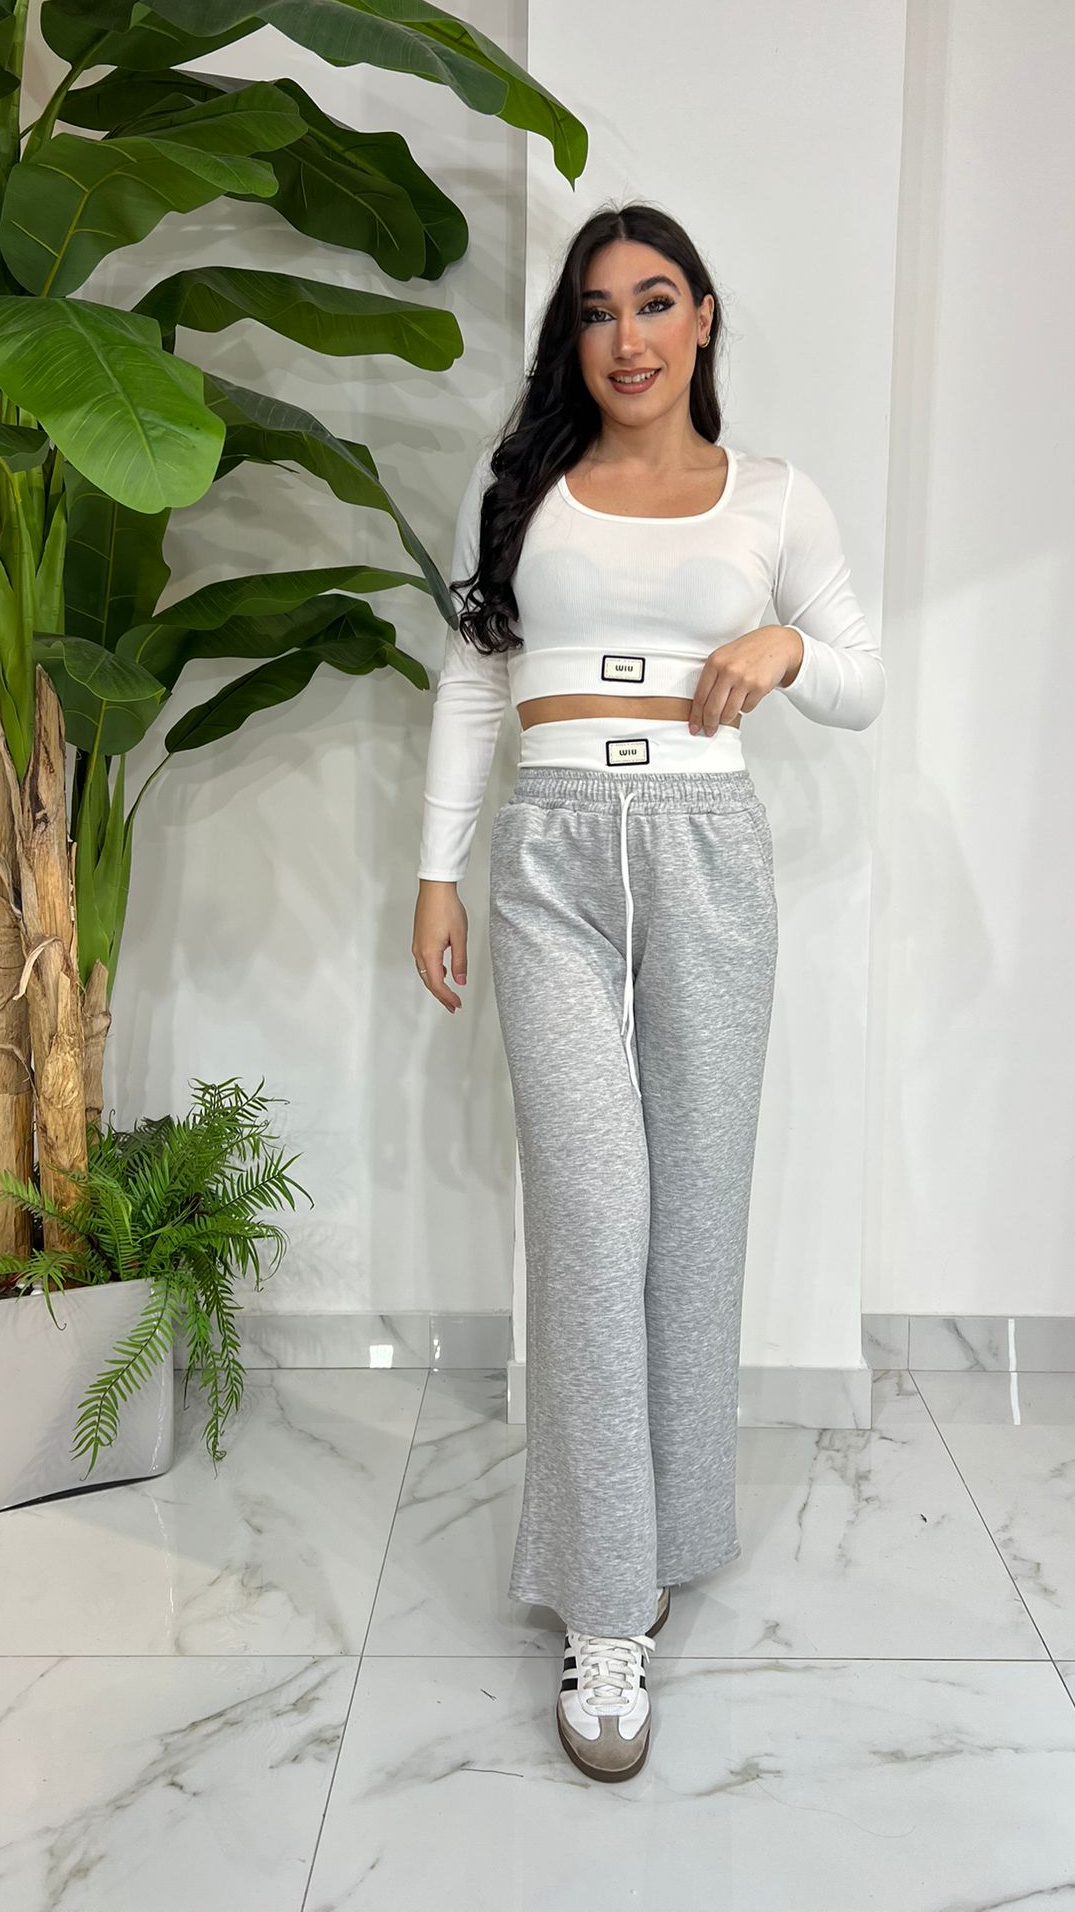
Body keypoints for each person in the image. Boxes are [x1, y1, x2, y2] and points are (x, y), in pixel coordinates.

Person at [410, 202, 885, 1782]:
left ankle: (669, 1534)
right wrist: (434, 869)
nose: (628, 336)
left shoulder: (775, 498)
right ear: (576, 335)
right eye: (600, 310)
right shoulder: (522, 489)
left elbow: (865, 673)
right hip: (548, 852)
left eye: (656, 302)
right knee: (594, 1210)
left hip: (706, 849)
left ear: (703, 320)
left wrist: (786, 649)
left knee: (693, 1210)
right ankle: (604, 1608)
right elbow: (475, 675)